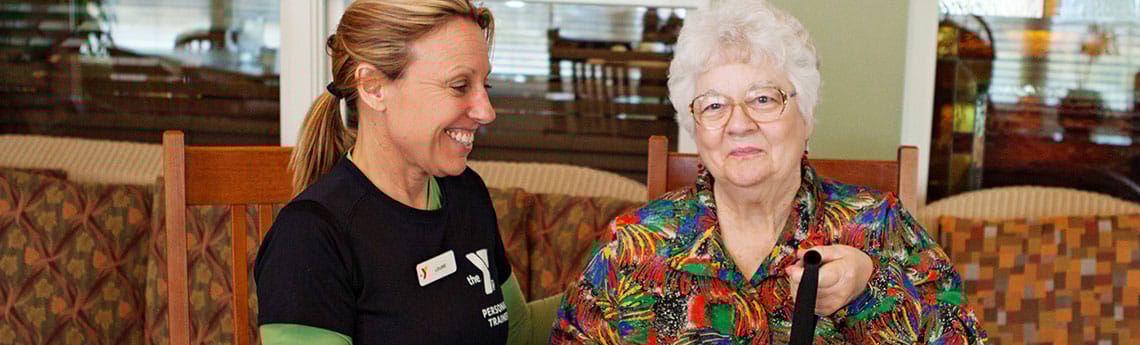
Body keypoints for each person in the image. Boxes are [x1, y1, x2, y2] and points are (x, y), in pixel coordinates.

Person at [551, 0, 989, 344]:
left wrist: (867, 291)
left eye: (763, 99)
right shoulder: (632, 245)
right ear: (695, 126)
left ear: (807, 114)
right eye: (715, 105)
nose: (738, 123)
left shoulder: (881, 226)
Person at [253, 1, 558, 344]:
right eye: (459, 86)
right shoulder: (309, 238)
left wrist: (615, 285)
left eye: (483, 86)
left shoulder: (465, 193)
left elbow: (518, 334)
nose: (486, 112)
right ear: (373, 87)